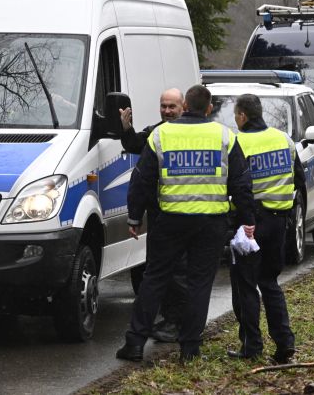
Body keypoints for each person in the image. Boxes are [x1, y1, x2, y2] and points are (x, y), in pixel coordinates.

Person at [116, 85, 257, 362]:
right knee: (199, 284)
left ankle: (134, 343)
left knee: (154, 279)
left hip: (170, 221)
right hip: (211, 223)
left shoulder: (161, 134)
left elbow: (141, 179)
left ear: (185, 106)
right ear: (208, 109)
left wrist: (134, 217)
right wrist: (247, 220)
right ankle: (190, 348)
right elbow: (241, 182)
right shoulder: (224, 136)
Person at [227, 94, 304, 364]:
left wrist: (243, 219)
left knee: (245, 285)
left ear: (243, 116)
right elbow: (298, 179)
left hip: (251, 224)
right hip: (280, 221)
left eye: (236, 115)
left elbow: (238, 187)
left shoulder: (240, 142)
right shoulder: (284, 139)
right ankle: (285, 344)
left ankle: (251, 346)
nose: (235, 120)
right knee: (270, 283)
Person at [120, 88, 187, 343]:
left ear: (183, 107)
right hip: (161, 215)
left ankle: (178, 325)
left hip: (185, 215)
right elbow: (137, 147)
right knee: (166, 273)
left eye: (172, 106)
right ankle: (174, 322)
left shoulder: (194, 132)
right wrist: (126, 129)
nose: (167, 111)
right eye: (164, 106)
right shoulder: (157, 132)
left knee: (177, 274)